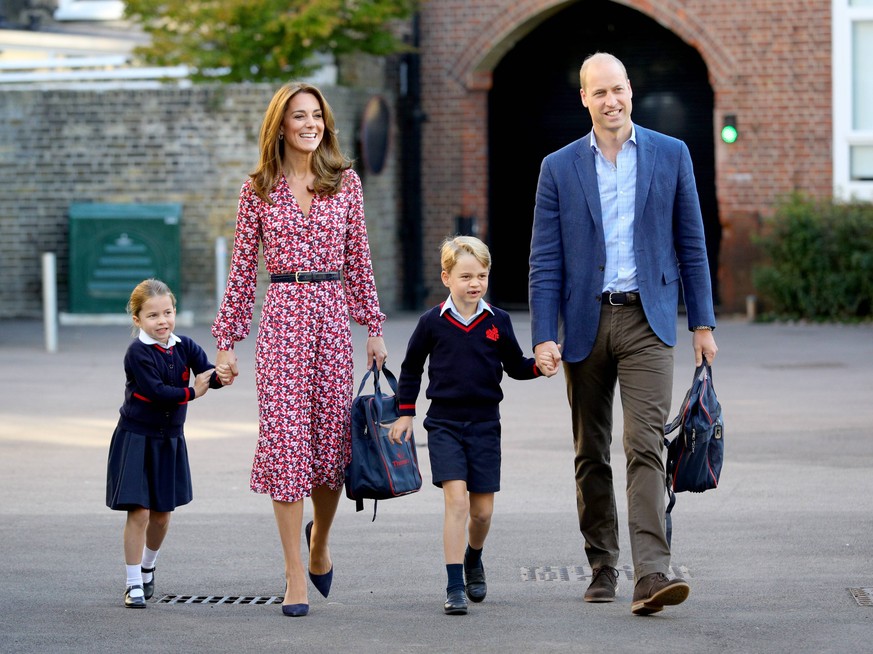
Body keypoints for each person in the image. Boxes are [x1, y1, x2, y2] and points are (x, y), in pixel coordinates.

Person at [529, 52, 719, 616]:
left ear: (630, 91)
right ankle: (602, 564)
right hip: (584, 323)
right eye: (599, 93)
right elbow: (545, 260)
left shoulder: (671, 153)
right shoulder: (558, 167)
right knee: (591, 452)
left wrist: (702, 324)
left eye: (618, 90)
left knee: (645, 446)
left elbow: (692, 244)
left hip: (648, 319)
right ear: (583, 99)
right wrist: (543, 333)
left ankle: (652, 575)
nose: (611, 101)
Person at [212, 82, 388, 617]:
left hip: (333, 318)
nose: (310, 124)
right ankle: (293, 575)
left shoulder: (346, 183)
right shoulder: (257, 190)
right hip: (283, 318)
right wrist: (227, 342)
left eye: (317, 116)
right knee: (287, 447)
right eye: (299, 116)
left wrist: (373, 326)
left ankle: (319, 544)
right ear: (280, 126)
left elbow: (359, 259)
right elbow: (242, 272)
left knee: (332, 451)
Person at [389, 236, 556, 615]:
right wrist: (405, 412)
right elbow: (411, 368)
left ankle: (473, 557)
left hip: (484, 425)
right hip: (444, 424)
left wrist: (538, 367)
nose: (474, 283)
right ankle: (453, 587)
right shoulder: (432, 322)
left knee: (481, 513)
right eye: (466, 276)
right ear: (446, 277)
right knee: (457, 501)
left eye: (481, 275)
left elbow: (515, 366)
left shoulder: (499, 321)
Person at [106, 278, 224, 609]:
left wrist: (221, 376)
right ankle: (132, 584)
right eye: (153, 316)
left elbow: (207, 372)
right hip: (136, 438)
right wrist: (193, 392)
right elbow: (158, 393)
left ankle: (147, 567)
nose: (162, 321)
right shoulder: (137, 353)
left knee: (161, 515)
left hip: (169, 440)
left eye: (168, 313)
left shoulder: (184, 345)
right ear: (137, 320)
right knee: (139, 511)